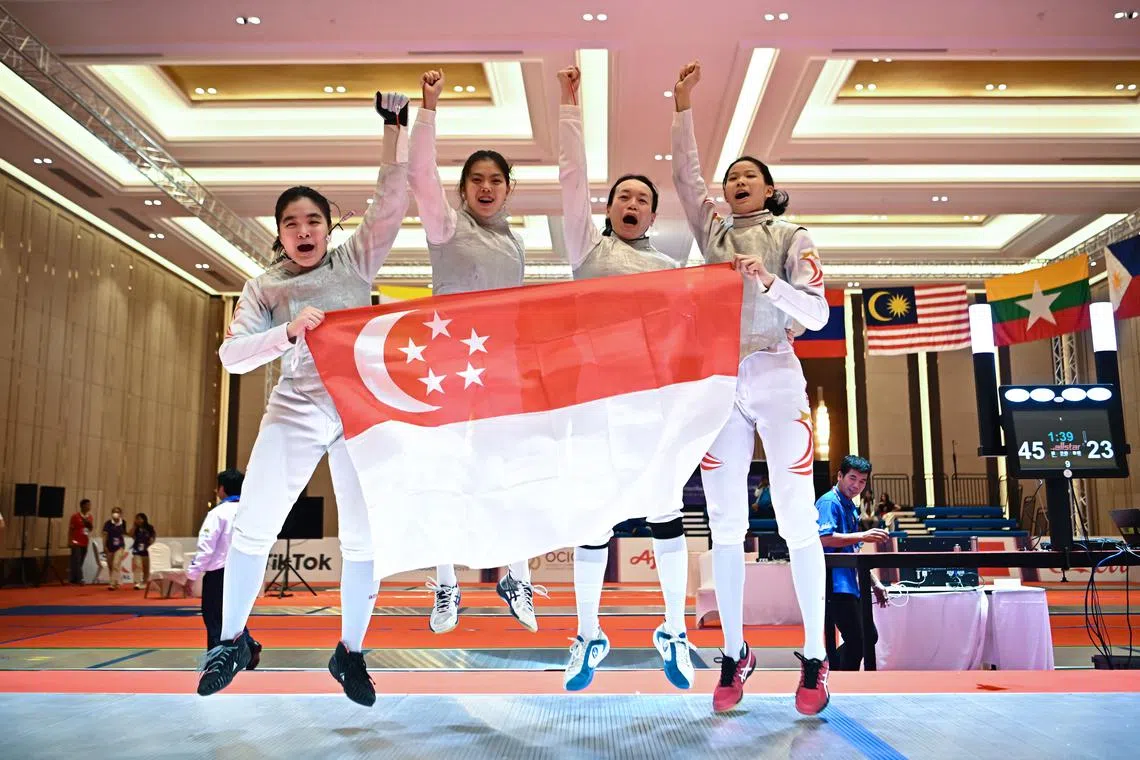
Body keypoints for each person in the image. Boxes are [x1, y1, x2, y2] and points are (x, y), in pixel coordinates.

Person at [196, 91, 412, 706]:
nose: (303, 231)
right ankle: (232, 640)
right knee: (254, 528)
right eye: (291, 223)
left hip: (360, 412)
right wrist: (287, 330)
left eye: (312, 220)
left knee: (365, 539)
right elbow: (232, 357)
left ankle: (351, 653)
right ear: (280, 234)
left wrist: (394, 129)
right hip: (295, 406)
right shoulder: (263, 287)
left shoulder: (355, 260)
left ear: (327, 226)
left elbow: (391, 201)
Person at [671, 60, 832, 715]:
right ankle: (735, 651)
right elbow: (684, 179)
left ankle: (817, 656)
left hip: (776, 373)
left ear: (770, 190)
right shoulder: (710, 237)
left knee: (797, 521)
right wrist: (681, 108)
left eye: (749, 176)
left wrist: (768, 282)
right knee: (725, 526)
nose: (737, 182)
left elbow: (818, 314)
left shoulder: (793, 236)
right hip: (719, 384)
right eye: (731, 176)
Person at [555, 65, 695, 693]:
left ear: (653, 213)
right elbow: (568, 181)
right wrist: (569, 108)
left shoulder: (670, 269)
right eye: (622, 198)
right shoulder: (587, 251)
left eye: (642, 199)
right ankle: (588, 634)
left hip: (649, 409)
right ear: (608, 210)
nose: (631, 204)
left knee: (666, 516)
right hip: (589, 406)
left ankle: (673, 630)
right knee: (591, 523)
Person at [409, 69, 544, 636]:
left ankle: (515, 575)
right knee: (446, 477)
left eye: (496, 180)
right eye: (476, 180)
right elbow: (420, 174)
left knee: (508, 475)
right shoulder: (445, 227)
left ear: (509, 188)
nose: (486, 188)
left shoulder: (514, 242)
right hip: (447, 370)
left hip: (501, 372)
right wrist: (429, 107)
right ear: (463, 189)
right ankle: (446, 583)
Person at [817, 455, 891, 671]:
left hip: (850, 585)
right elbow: (824, 538)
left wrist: (875, 583)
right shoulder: (830, 503)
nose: (856, 485)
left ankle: (831, 672)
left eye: (862, 481)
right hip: (833, 584)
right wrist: (863, 535)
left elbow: (852, 552)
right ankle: (841, 683)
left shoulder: (849, 506)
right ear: (839, 476)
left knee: (868, 637)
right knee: (859, 641)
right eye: (852, 478)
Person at [185, 470, 262, 668]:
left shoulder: (218, 514)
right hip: (245, 571)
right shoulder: (251, 512)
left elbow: (206, 546)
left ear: (222, 489)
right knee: (235, 613)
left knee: (213, 617)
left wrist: (192, 575)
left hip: (219, 573)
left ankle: (217, 661)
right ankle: (248, 644)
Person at [68, 499, 94, 585]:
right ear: (82, 506)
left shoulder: (90, 517)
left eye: (89, 505)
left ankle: (73, 578)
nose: (89, 507)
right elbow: (71, 529)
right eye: (87, 505)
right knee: (77, 560)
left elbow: (90, 529)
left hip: (85, 541)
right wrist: (70, 540)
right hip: (76, 541)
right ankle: (80, 579)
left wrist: (89, 525)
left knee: (81, 560)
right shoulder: (75, 516)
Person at [102, 507, 128, 590]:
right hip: (109, 547)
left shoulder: (123, 522)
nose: (115, 513)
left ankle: (112, 584)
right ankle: (115, 582)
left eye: (117, 512)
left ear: (120, 514)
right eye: (114, 512)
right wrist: (104, 546)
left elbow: (124, 533)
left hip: (120, 547)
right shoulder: (108, 523)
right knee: (110, 565)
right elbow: (105, 535)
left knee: (115, 564)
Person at [129, 513, 156, 590]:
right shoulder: (136, 528)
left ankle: (144, 582)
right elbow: (130, 534)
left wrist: (151, 541)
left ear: (144, 519)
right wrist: (134, 526)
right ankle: (137, 582)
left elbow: (153, 537)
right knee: (138, 566)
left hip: (146, 550)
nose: (138, 520)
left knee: (146, 568)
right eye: (137, 519)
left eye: (140, 518)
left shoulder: (150, 528)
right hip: (137, 550)